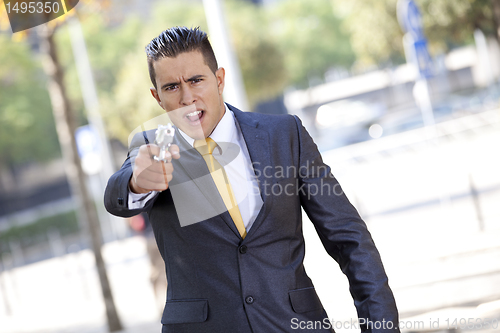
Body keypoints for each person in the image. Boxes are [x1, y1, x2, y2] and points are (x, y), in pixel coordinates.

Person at [104, 26, 399, 333]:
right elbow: (118, 194)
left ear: (219, 80)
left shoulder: (285, 135)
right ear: (157, 98)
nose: (187, 98)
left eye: (195, 80)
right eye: (171, 87)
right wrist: (138, 183)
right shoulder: (152, 146)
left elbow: (349, 239)